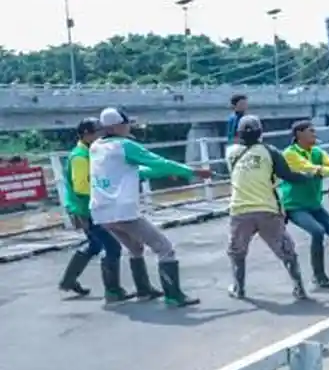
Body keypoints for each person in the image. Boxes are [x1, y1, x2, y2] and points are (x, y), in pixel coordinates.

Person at [89, 107, 212, 307]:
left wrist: (167, 172)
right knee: (164, 248)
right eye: (127, 124)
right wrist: (192, 171)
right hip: (123, 211)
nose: (129, 127)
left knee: (135, 248)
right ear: (118, 126)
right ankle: (173, 296)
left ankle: (143, 290)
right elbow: (158, 162)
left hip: (101, 212)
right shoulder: (125, 146)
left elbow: (136, 171)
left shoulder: (96, 147)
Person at [224, 116, 313, 300]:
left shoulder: (230, 152)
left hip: (239, 210)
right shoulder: (269, 151)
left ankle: (239, 288)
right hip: (267, 209)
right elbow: (288, 175)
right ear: (261, 132)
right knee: (286, 251)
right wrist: (308, 176)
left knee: (237, 252)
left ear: (238, 133)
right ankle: (299, 288)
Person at [56, 118, 134, 303]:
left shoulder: (90, 152)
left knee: (95, 244)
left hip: (88, 207)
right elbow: (81, 187)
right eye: (98, 131)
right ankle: (113, 291)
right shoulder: (80, 157)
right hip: (86, 209)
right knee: (112, 247)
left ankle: (68, 281)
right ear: (86, 134)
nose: (102, 135)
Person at [281, 120, 329, 290]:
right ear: (299, 134)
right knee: (317, 231)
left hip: (314, 204)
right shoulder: (290, 154)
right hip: (295, 205)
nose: (314, 134)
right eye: (311, 131)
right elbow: (311, 169)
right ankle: (319, 276)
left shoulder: (317, 151)